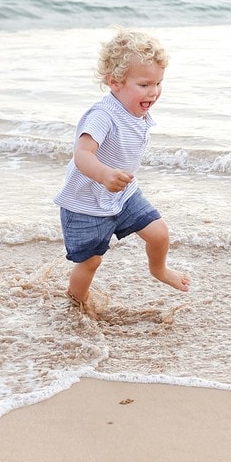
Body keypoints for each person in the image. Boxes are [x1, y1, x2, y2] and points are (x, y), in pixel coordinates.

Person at [54, 27, 191, 306]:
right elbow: (82, 154)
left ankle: (159, 269)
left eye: (158, 83)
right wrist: (104, 174)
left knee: (159, 233)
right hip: (85, 203)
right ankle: (76, 303)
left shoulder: (137, 111)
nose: (153, 92)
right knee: (90, 262)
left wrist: (113, 180)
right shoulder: (103, 116)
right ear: (115, 82)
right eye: (144, 85)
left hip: (123, 193)